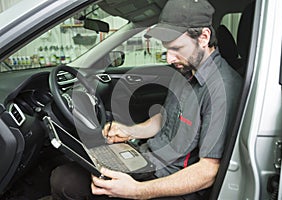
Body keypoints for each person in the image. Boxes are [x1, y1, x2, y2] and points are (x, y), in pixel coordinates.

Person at [50, 0, 243, 199]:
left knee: (66, 182)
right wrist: (129, 131)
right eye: (167, 49)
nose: (169, 59)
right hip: (147, 161)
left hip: (171, 182)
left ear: (203, 37)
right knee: (71, 169)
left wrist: (137, 191)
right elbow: (165, 119)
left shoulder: (222, 89)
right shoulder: (186, 71)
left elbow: (207, 172)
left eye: (176, 48)